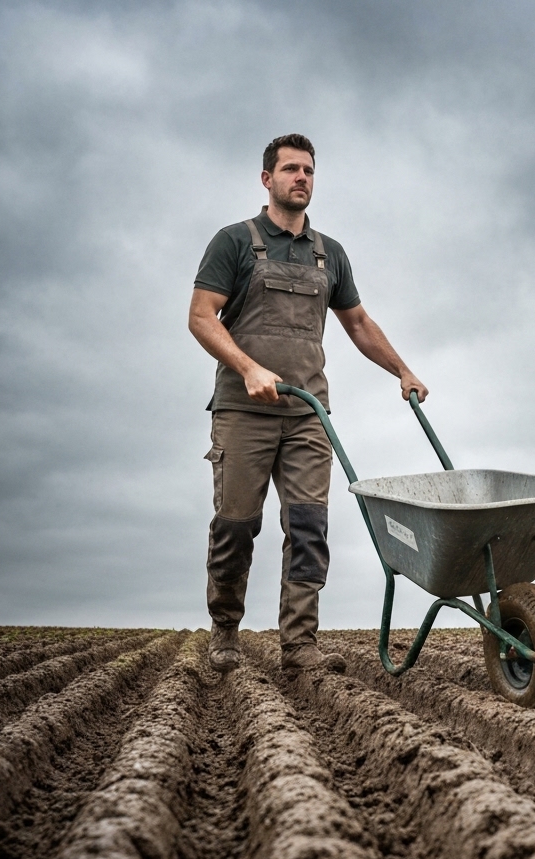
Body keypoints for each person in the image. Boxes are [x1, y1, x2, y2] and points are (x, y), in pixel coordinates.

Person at [189, 133, 428, 677]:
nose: (302, 178)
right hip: (243, 412)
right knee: (235, 526)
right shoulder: (234, 242)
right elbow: (201, 315)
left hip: (306, 414)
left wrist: (403, 370)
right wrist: (248, 368)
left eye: (309, 171)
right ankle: (225, 629)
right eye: (291, 169)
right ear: (267, 178)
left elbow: (359, 324)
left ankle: (299, 647)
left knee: (308, 526)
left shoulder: (329, 253)